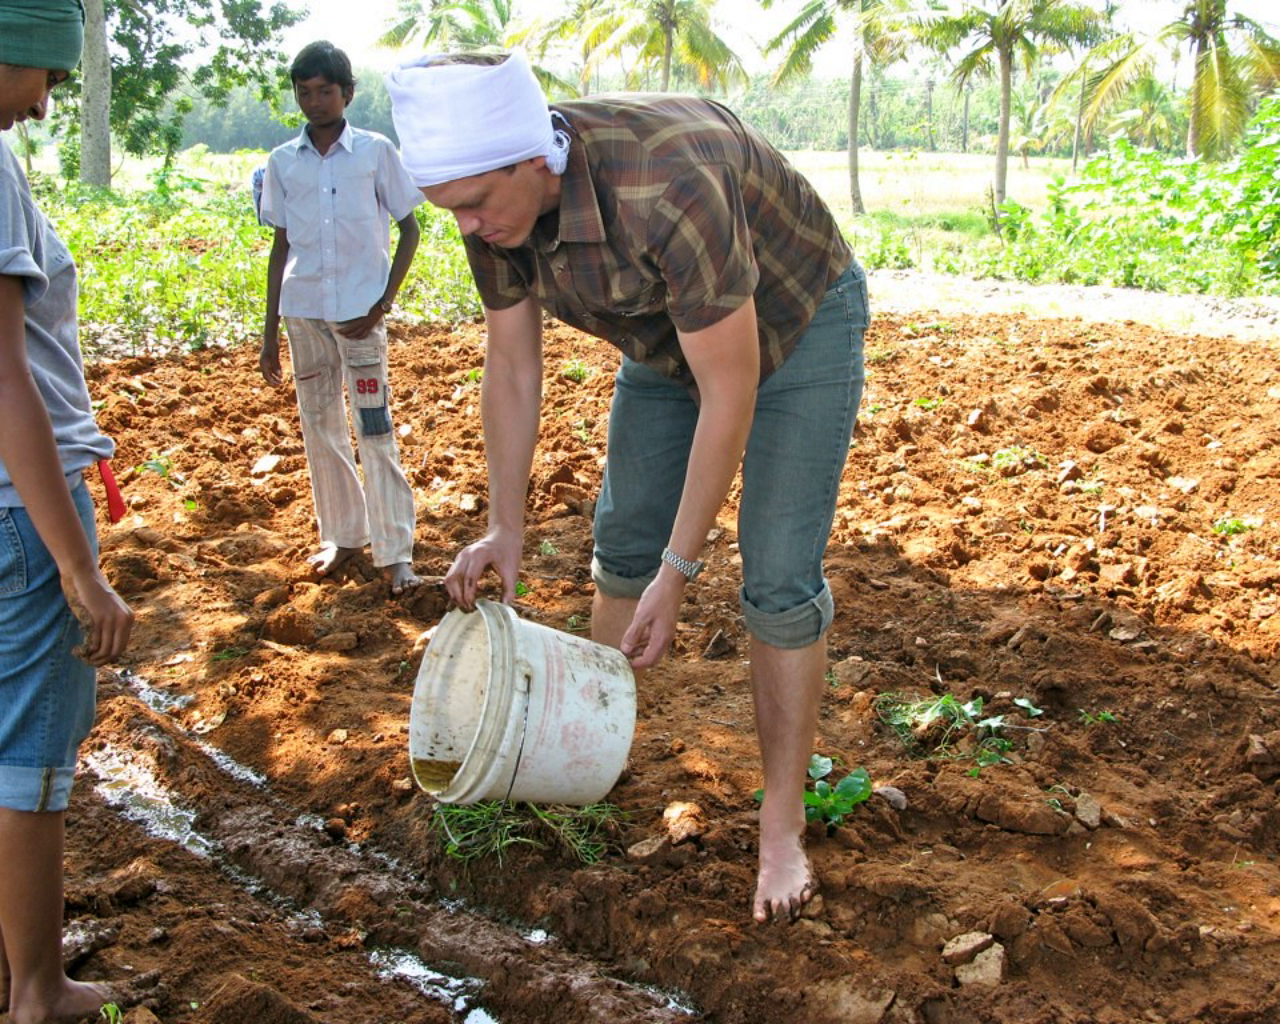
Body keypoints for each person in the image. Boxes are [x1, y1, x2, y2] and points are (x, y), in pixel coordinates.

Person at [386, 52, 869, 924]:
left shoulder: (668, 184)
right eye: (449, 209)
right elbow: (512, 366)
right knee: (622, 543)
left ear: (535, 159)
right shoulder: (490, 203)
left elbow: (731, 389)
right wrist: (504, 526)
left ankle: (782, 823)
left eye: (472, 205)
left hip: (795, 326)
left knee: (777, 578)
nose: (465, 225)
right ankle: (592, 754)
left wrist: (679, 573)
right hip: (664, 335)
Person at [0, 2, 136, 1021]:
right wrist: (77, 568)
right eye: (44, 75)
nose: (47, 103)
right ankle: (38, 988)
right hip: (15, 507)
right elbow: (7, 380)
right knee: (29, 755)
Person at [260, 40, 424, 595]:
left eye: (324, 91)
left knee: (374, 430)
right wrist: (267, 337)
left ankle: (396, 550)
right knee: (320, 429)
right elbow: (280, 248)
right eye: (304, 93)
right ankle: (345, 537)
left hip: (359, 317)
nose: (314, 102)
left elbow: (411, 229)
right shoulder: (282, 162)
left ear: (347, 93)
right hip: (303, 314)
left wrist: (381, 304)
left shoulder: (376, 152)